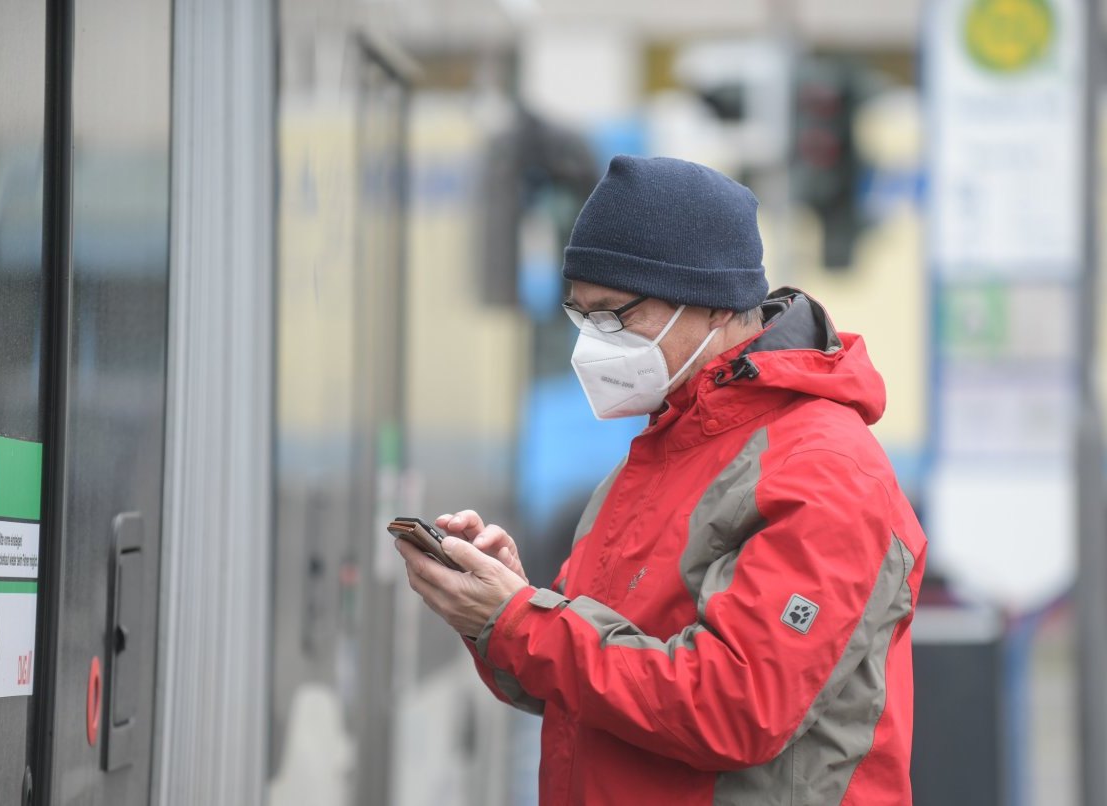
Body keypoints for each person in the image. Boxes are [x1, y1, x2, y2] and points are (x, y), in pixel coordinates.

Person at [396, 155, 926, 805]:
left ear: (708, 303)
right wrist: (497, 607)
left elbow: (736, 708)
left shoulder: (823, 473)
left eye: (613, 315)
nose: (592, 342)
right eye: (580, 316)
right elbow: (582, 683)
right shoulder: (667, 448)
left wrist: (521, 621)